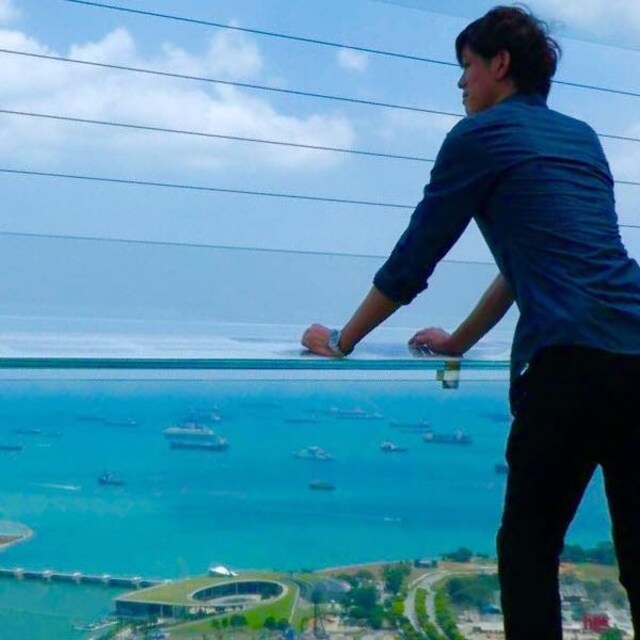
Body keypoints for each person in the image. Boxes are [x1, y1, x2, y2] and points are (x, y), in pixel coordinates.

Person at [301, 5, 640, 639]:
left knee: (528, 552)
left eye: (466, 67)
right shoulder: (583, 138)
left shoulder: (477, 137)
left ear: (499, 65)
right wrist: (459, 341)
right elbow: (532, 264)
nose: (460, 83)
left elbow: (415, 257)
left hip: (569, 366)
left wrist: (342, 340)